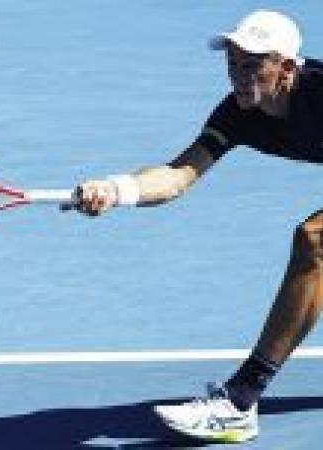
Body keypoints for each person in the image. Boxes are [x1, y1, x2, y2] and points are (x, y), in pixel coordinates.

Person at [66, 10, 323, 443]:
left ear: (288, 68)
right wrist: (115, 189)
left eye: (253, 65)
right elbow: (177, 175)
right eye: (233, 64)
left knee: (315, 241)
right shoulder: (238, 115)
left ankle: (239, 402)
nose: (239, 76)